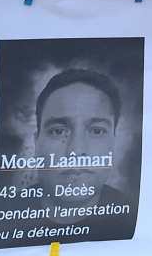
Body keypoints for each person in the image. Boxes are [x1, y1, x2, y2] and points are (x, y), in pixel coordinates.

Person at [31, 67, 137, 240]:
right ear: (37, 142)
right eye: (58, 131)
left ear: (114, 142)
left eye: (96, 131)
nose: (76, 151)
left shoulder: (139, 220)